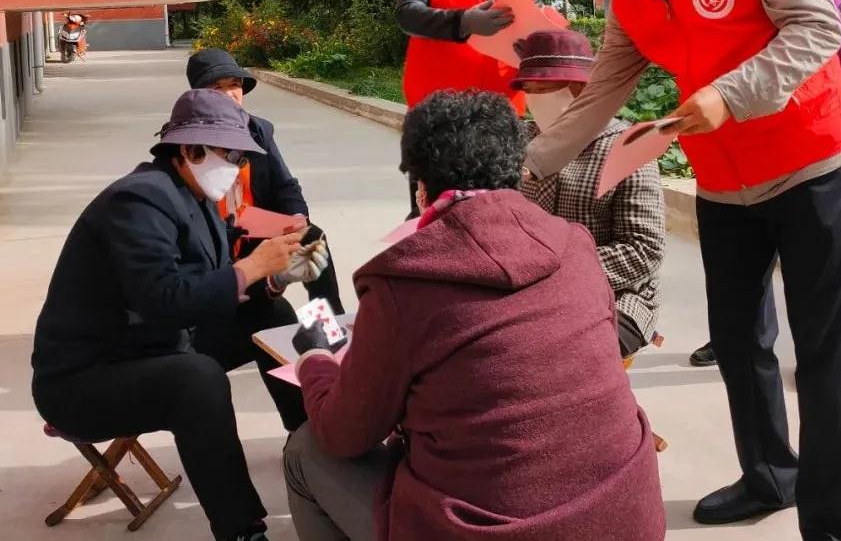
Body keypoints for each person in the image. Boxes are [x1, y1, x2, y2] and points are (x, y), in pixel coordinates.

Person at [524, 0, 841, 539]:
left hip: (810, 163)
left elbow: (817, 28)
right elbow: (597, 100)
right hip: (724, 182)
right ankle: (769, 475)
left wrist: (730, 94)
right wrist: (517, 172)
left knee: (825, 354)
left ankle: (833, 525)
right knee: (738, 342)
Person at [282, 91, 665, 541]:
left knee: (305, 449)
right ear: (518, 172)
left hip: (490, 529)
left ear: (421, 188)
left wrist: (315, 360)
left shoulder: (402, 284)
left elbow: (344, 433)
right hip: (627, 517)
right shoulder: (576, 246)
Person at [31, 90, 318, 541]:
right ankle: (241, 530)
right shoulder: (138, 201)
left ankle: (309, 436)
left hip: (151, 345)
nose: (236, 166)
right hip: (85, 378)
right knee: (197, 380)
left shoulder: (195, 199)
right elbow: (163, 301)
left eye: (241, 157)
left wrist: (275, 278)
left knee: (272, 312)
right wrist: (251, 267)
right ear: (189, 149)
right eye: (228, 155)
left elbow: (210, 287)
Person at [688, 0, 841, 368]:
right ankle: (733, 340)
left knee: (817, 301)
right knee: (742, 295)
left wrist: (793, 94)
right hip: (733, 157)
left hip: (801, 147)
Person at [395, 0, 539, 216]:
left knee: (500, 212)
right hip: (439, 111)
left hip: (501, 111)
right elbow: (407, 14)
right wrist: (462, 22)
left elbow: (532, 24)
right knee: (433, 213)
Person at [514, 29, 665, 358]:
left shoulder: (628, 148)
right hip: (527, 287)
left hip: (618, 295)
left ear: (583, 89)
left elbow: (644, 249)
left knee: (562, 349)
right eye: (529, 90)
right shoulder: (517, 141)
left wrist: (558, 271)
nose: (534, 99)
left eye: (545, 89)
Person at [187, 47, 346, 315]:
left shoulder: (258, 131)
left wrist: (296, 220)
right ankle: (258, 297)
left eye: (234, 85)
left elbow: (285, 185)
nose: (229, 94)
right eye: (217, 88)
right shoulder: (188, 143)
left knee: (312, 238)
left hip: (253, 229)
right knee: (278, 314)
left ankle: (330, 328)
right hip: (213, 246)